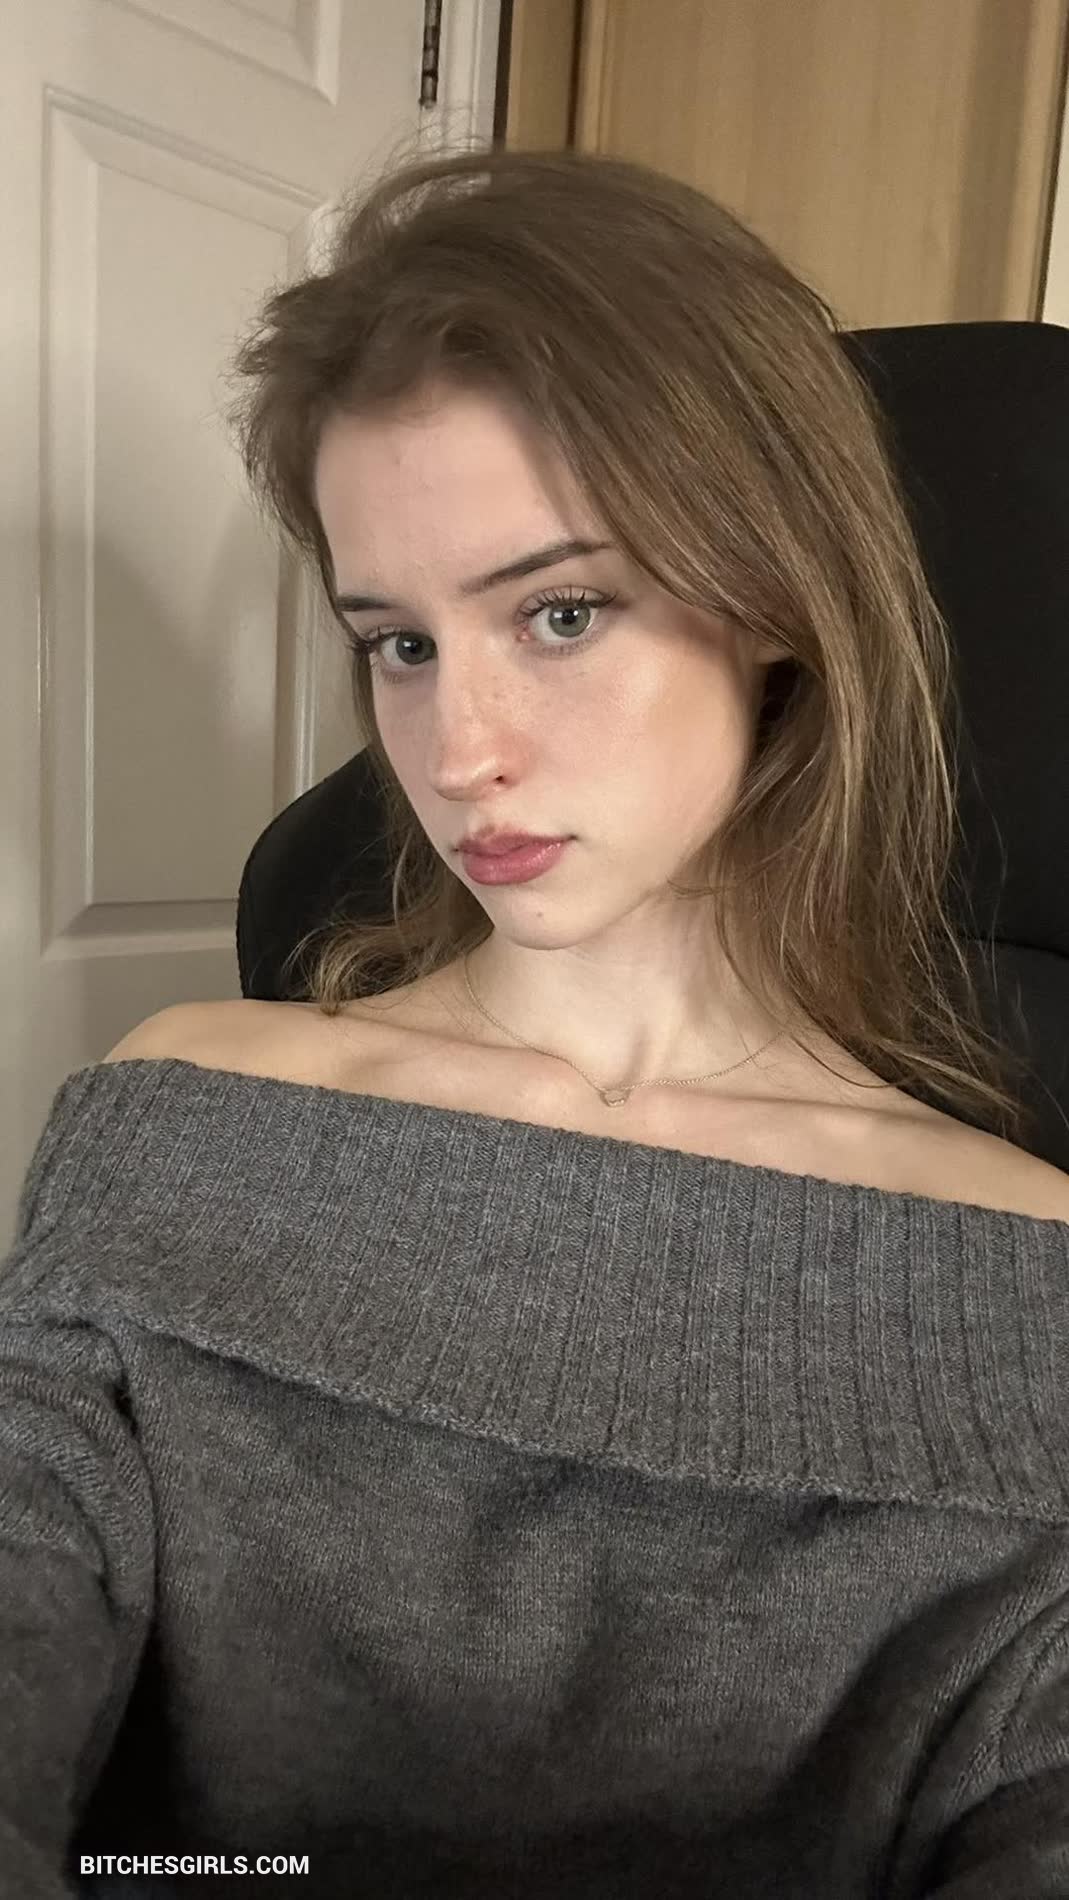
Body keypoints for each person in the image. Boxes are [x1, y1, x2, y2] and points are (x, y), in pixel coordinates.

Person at [3, 140, 1068, 1900]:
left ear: (776, 601)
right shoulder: (183, 1106)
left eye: (558, 613)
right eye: (399, 643)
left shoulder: (1023, 1285)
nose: (456, 752)